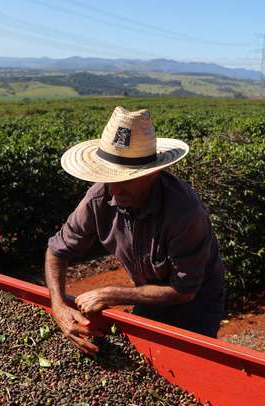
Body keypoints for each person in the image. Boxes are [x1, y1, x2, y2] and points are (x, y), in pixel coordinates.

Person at [45, 106, 225, 356]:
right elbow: (57, 251)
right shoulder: (101, 196)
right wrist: (58, 305)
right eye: (111, 179)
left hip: (196, 304)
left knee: (187, 367)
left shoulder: (184, 212)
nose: (116, 191)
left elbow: (183, 291)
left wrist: (111, 294)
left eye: (126, 180)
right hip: (147, 291)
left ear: (153, 174)